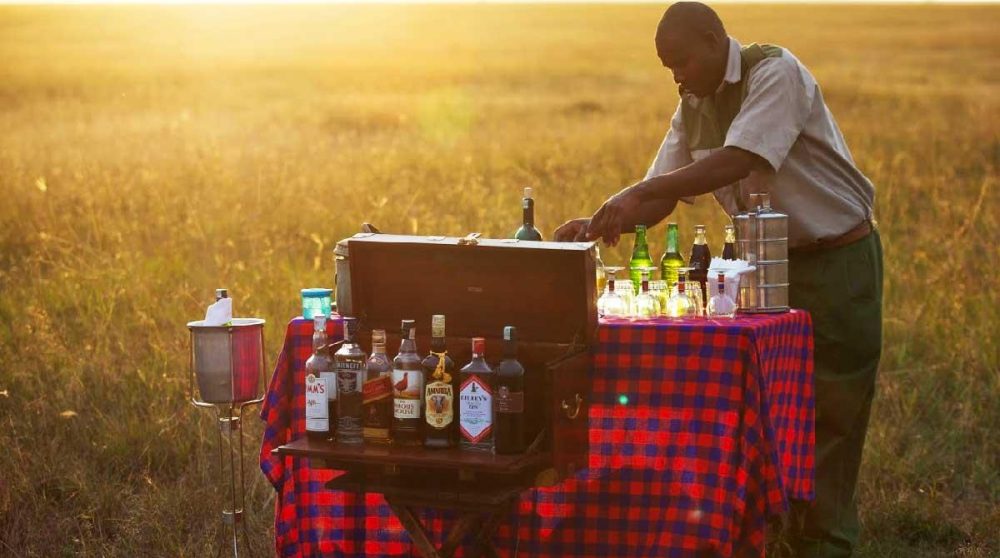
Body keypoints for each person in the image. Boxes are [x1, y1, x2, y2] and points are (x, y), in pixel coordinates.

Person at [554, 3, 883, 556]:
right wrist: (600, 221)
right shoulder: (693, 105)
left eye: (681, 62)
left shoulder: (774, 71)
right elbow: (660, 193)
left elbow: (740, 158)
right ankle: (775, 534)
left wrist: (637, 194)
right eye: (668, 68)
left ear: (713, 41)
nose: (677, 76)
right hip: (766, 268)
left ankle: (825, 543)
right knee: (774, 409)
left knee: (834, 408)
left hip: (836, 260)